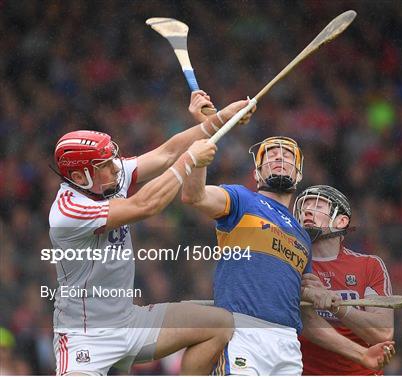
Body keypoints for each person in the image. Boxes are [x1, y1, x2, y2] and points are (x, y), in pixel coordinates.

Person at [48, 94, 254, 375]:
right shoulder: (68, 211)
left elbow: (167, 153)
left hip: (130, 321)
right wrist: (189, 161)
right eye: (104, 165)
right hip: (84, 338)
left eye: (111, 160)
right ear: (80, 176)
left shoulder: (106, 178)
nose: (115, 168)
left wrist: (219, 119)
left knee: (220, 324)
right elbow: (145, 205)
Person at [181, 136, 395, 375]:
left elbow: (307, 319)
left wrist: (361, 354)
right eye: (270, 155)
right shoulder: (241, 199)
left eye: (288, 156)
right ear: (257, 174)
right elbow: (194, 196)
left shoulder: (302, 237)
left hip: (288, 344)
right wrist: (198, 159)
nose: (279, 157)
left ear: (299, 174)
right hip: (244, 333)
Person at [294, 185, 395, 375]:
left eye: (317, 205)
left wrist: (338, 306)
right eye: (303, 207)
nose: (306, 210)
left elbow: (382, 334)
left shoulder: (369, 266)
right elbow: (305, 322)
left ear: (341, 221)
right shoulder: (291, 265)